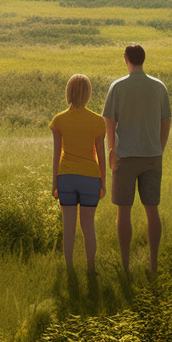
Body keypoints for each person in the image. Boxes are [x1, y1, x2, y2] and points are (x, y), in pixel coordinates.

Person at [102, 44, 171, 274]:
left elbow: (109, 121)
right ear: (143, 59)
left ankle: (125, 266)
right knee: (152, 210)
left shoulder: (118, 87)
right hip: (152, 154)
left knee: (124, 211)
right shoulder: (159, 87)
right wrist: (159, 147)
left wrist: (111, 148)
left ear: (126, 59)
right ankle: (153, 264)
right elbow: (166, 121)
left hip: (126, 155)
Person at [50, 73, 106, 275]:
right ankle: (91, 269)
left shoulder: (59, 120)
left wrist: (54, 182)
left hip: (66, 177)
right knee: (88, 226)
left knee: (69, 227)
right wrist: (103, 183)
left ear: (69, 93)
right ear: (88, 94)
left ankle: (70, 269)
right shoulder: (97, 121)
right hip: (91, 178)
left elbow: (57, 155)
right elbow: (100, 155)